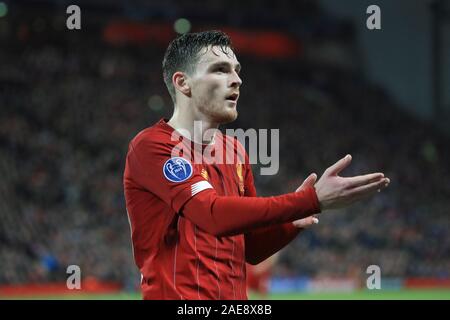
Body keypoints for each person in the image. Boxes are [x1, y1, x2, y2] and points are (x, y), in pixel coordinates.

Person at [123, 30, 390, 300]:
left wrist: (290, 222)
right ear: (183, 83)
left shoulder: (234, 150)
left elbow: (251, 247)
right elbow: (211, 213)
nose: (237, 79)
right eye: (220, 70)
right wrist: (310, 200)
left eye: (237, 71)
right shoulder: (152, 146)